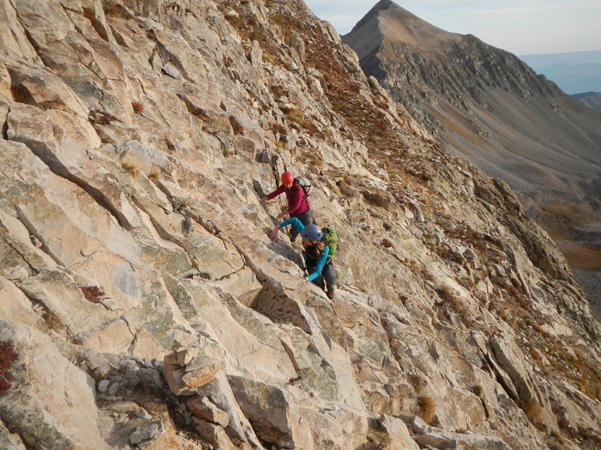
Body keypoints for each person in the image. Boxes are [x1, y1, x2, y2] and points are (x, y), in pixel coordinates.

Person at [270, 219, 338, 299]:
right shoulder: (307, 234)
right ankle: (321, 290)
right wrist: (277, 227)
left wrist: (306, 279)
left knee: (331, 276)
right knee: (317, 279)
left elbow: (317, 271)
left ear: (313, 240)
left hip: (324, 263)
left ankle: (330, 288)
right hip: (311, 262)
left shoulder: (324, 249)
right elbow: (295, 220)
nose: (302, 240)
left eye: (305, 239)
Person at [259, 171, 311, 242]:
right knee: (294, 230)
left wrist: (284, 213)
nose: (288, 186)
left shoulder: (298, 189)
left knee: (308, 231)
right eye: (286, 184)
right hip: (294, 212)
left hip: (304, 212)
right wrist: (261, 199)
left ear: (292, 181)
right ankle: (293, 239)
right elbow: (274, 194)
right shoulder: (284, 187)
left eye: (289, 184)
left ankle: (308, 244)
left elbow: (297, 205)